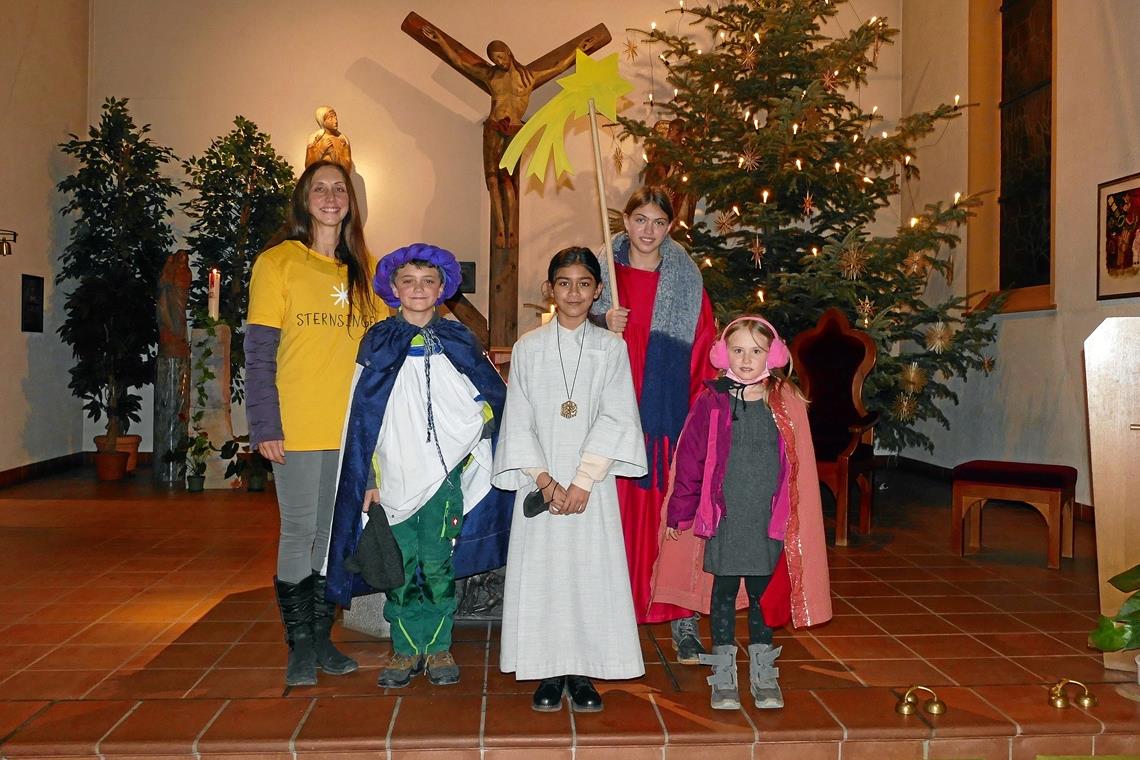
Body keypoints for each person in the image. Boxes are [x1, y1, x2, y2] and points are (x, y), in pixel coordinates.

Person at [323, 243, 511, 690]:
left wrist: (477, 439)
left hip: (445, 477)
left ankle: (440, 645)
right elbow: (360, 415)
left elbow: (489, 399)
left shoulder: (460, 340)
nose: (419, 289)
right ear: (393, 288)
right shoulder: (378, 341)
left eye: (429, 282)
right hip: (393, 476)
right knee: (401, 567)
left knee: (439, 562)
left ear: (443, 287)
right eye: (408, 281)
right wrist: (366, 477)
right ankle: (406, 650)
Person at [245, 160, 384, 686]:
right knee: (299, 532)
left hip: (349, 431)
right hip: (297, 428)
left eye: (339, 189)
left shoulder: (363, 270)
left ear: (350, 201)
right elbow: (259, 353)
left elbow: (378, 357)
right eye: (319, 188)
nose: (330, 197)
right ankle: (299, 644)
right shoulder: (277, 263)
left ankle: (322, 637)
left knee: (332, 538)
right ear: (305, 200)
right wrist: (264, 424)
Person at [493, 247, 647, 713]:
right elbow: (518, 419)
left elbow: (617, 415)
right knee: (544, 577)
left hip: (589, 487)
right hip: (541, 483)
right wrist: (544, 480)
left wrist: (581, 481)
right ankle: (548, 669)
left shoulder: (611, 348)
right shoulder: (528, 348)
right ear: (550, 289)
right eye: (564, 282)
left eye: (584, 283)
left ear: (598, 290)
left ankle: (581, 672)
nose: (574, 292)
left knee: (587, 575)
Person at [660, 316, 832, 710]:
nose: (746, 359)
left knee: (761, 595)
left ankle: (762, 668)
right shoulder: (712, 398)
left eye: (756, 351)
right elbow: (690, 460)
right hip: (725, 520)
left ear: (772, 355)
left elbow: (799, 465)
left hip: (767, 521)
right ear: (723, 354)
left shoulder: (785, 400)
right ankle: (723, 672)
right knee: (722, 594)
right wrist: (679, 512)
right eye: (737, 350)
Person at [591, 186, 717, 662]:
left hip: (664, 419)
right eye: (639, 219)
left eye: (658, 222)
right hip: (611, 415)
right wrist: (601, 321)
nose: (648, 231)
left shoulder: (685, 280)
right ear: (625, 221)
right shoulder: (600, 276)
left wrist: (696, 418)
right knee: (615, 518)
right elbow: (564, 325)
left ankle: (679, 617)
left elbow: (703, 345)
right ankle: (609, 613)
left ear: (670, 228)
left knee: (671, 517)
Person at [305, 107, 352, 171]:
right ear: (322, 121)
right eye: (330, 118)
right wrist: (321, 150)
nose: (335, 121)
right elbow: (308, 166)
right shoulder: (315, 139)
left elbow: (347, 168)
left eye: (335, 117)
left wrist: (332, 153)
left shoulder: (343, 139)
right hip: (319, 178)